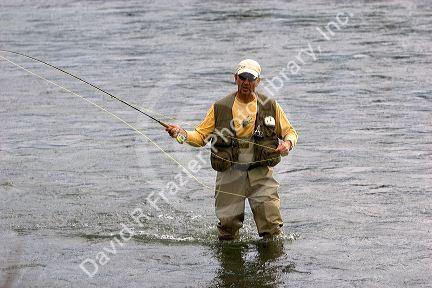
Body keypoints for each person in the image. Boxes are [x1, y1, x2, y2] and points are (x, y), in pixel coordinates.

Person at [165, 59, 298, 240]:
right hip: (230, 173)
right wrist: (180, 134)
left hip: (261, 172)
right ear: (235, 78)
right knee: (228, 229)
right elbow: (199, 137)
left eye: (251, 78)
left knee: (272, 228)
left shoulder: (270, 105)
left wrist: (287, 144)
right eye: (242, 77)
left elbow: (290, 132)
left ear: (258, 81)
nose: (246, 82)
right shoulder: (220, 107)